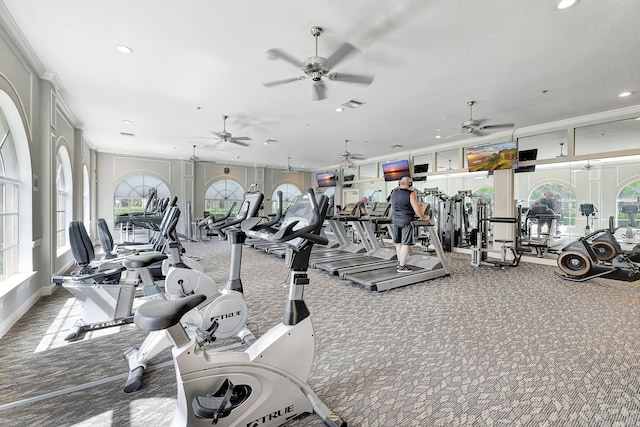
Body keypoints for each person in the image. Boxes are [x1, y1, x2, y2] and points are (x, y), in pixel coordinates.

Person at [390, 176, 430, 272]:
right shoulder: (411, 194)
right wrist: (424, 217)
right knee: (405, 244)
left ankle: (400, 262)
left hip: (396, 220)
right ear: (410, 184)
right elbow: (417, 209)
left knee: (398, 243)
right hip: (406, 221)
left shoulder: (394, 192)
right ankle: (402, 266)